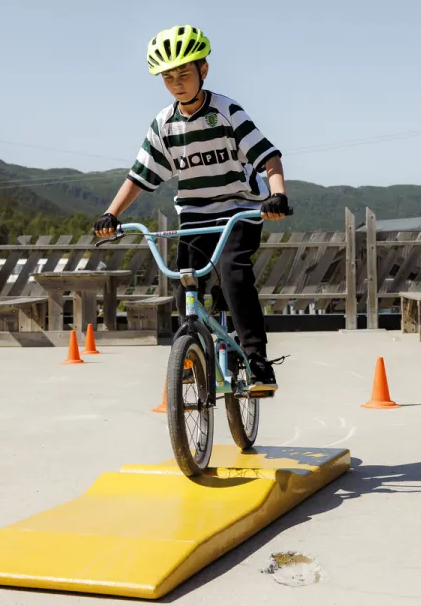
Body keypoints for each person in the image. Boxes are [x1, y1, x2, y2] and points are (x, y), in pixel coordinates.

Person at [93, 25, 290, 395]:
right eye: (168, 77)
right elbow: (139, 176)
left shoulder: (227, 112)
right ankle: (192, 353)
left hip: (240, 209)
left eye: (184, 73)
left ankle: (257, 359)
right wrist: (111, 214)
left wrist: (275, 196)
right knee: (186, 281)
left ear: (204, 70)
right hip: (195, 216)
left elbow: (269, 157)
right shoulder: (164, 124)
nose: (176, 83)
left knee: (233, 272)